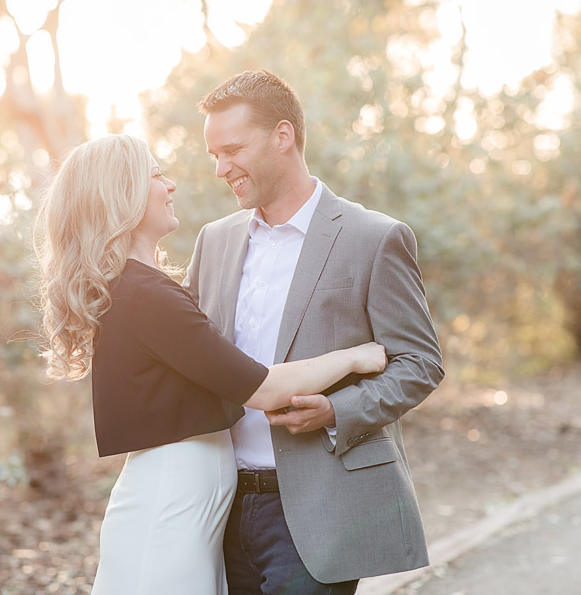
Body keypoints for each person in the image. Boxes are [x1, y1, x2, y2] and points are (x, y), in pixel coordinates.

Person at [33, 134, 389, 595]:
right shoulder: (144, 295)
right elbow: (263, 389)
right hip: (170, 504)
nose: (171, 184)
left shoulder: (138, 287)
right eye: (157, 174)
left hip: (186, 503)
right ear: (123, 193)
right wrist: (357, 354)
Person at [184, 69, 445, 594]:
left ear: (283, 136)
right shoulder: (214, 241)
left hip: (318, 508)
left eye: (231, 149)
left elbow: (420, 363)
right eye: (214, 155)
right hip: (217, 505)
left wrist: (336, 411)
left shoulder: (374, 237)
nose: (220, 168)